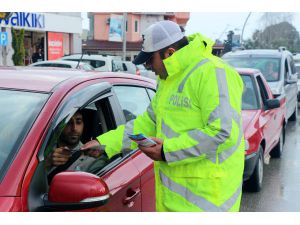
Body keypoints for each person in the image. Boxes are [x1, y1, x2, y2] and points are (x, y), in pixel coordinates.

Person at [81, 20, 245, 212]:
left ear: (170, 53)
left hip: (209, 202)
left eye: (150, 59)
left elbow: (223, 132)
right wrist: (106, 143)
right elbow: (148, 122)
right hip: (173, 203)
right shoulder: (167, 81)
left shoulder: (213, 72)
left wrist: (167, 151)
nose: (148, 66)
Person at [46, 110, 104, 181]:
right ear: (59, 126)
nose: (74, 128)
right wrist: (47, 163)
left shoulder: (92, 158)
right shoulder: (43, 149)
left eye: (78, 122)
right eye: (68, 122)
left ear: (83, 124)